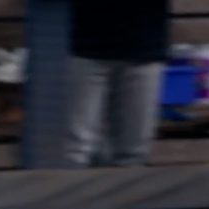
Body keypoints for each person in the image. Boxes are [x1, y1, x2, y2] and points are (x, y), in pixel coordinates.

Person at [64, 0, 169, 167]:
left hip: (145, 46)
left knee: (133, 153)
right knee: (75, 150)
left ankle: (129, 192)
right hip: (85, 46)